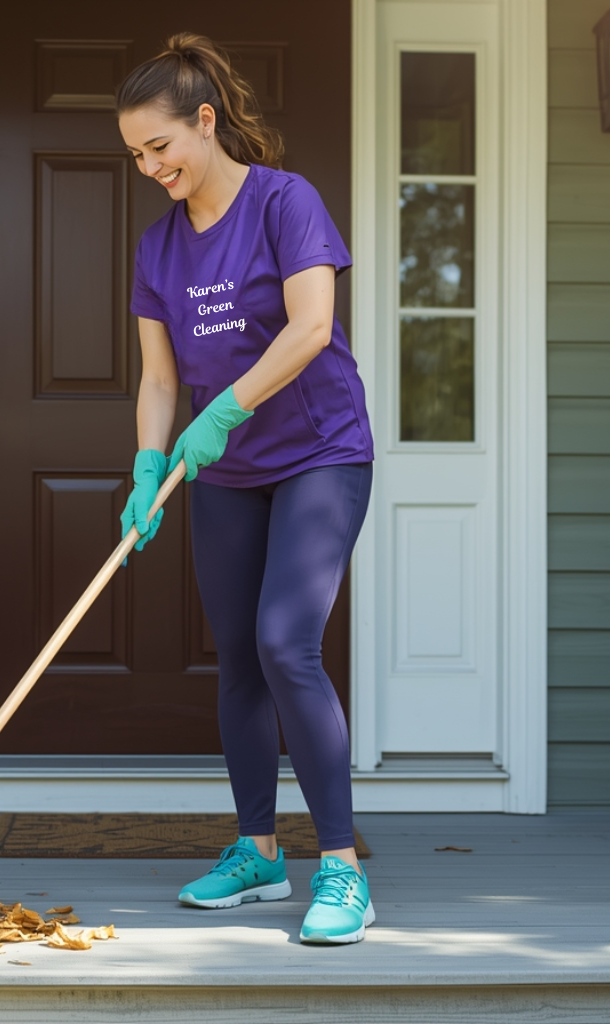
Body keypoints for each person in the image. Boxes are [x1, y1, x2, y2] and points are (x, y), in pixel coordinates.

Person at [115, 32, 376, 945]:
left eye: (161, 147)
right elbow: (156, 380)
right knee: (236, 657)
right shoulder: (157, 250)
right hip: (223, 473)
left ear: (205, 121)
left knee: (285, 644)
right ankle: (259, 852)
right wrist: (150, 467)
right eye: (136, 155)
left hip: (320, 453)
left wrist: (222, 408)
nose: (151, 167)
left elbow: (311, 327)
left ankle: (342, 871)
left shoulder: (283, 203)